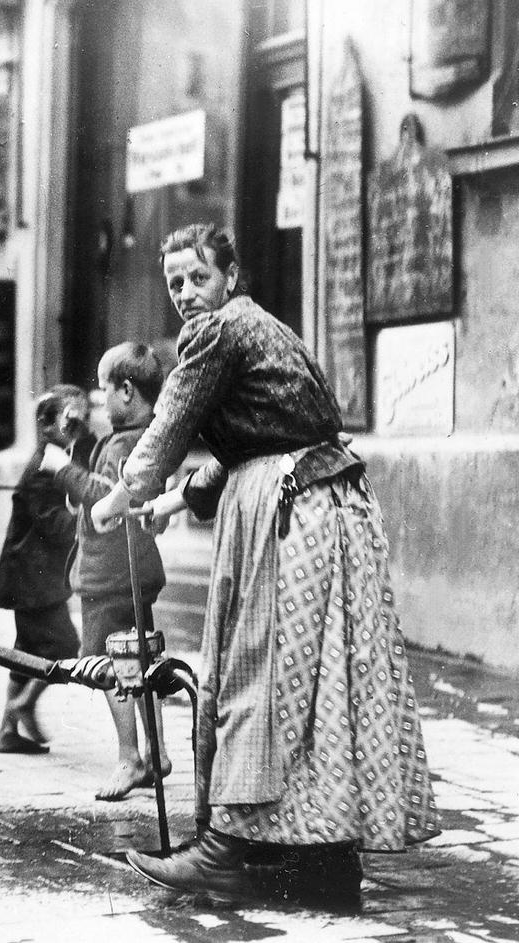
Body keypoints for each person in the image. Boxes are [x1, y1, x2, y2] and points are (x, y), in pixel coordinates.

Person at [90, 223, 438, 905]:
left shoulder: (216, 332)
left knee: (260, 670)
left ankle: (223, 855)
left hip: (291, 513)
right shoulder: (262, 327)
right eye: (175, 283)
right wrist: (174, 499)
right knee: (317, 686)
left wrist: (123, 494)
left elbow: (170, 424)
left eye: (197, 277)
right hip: (323, 504)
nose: (187, 293)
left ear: (229, 276)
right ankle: (324, 860)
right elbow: (254, 435)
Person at [40, 342, 170, 801]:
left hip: (111, 576)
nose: (100, 401)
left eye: (105, 391)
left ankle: (130, 758)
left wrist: (63, 471)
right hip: (133, 572)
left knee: (116, 669)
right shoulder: (148, 438)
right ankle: (155, 751)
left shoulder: (125, 443)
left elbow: (113, 492)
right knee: (144, 662)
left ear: (128, 392)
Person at [0, 385, 93, 754]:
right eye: (71, 421)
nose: (78, 429)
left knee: (27, 651)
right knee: (65, 645)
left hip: (33, 577)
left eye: (83, 420)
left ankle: (7, 730)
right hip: (31, 577)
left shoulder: (58, 457)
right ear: (47, 424)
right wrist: (88, 519)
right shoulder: (43, 465)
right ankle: (25, 705)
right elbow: (53, 523)